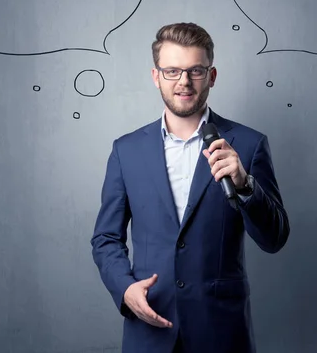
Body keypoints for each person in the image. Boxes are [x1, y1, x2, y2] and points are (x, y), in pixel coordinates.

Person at [91, 22, 289, 353]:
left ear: (211, 76)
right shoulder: (126, 151)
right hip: (149, 330)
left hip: (222, 334)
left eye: (195, 70)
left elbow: (274, 239)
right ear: (156, 77)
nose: (183, 81)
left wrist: (245, 185)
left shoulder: (249, 144)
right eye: (172, 71)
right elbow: (105, 238)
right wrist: (125, 289)